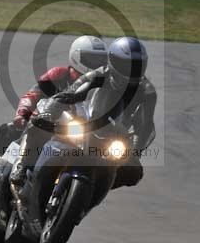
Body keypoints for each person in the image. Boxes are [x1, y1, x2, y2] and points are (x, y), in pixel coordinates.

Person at [10, 37, 156, 191]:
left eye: (138, 66)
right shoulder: (94, 74)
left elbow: (146, 125)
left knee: (133, 172)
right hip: (76, 121)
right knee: (37, 126)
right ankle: (21, 165)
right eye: (126, 65)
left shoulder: (147, 90)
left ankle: (96, 188)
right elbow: (69, 94)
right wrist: (45, 113)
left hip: (111, 131)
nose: (132, 71)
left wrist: (135, 152)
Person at [0, 35, 107, 191]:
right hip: (49, 124)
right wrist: (23, 113)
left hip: (82, 130)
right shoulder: (59, 74)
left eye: (99, 60)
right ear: (76, 56)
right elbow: (34, 94)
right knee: (12, 132)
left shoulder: (103, 83)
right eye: (91, 59)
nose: (95, 64)